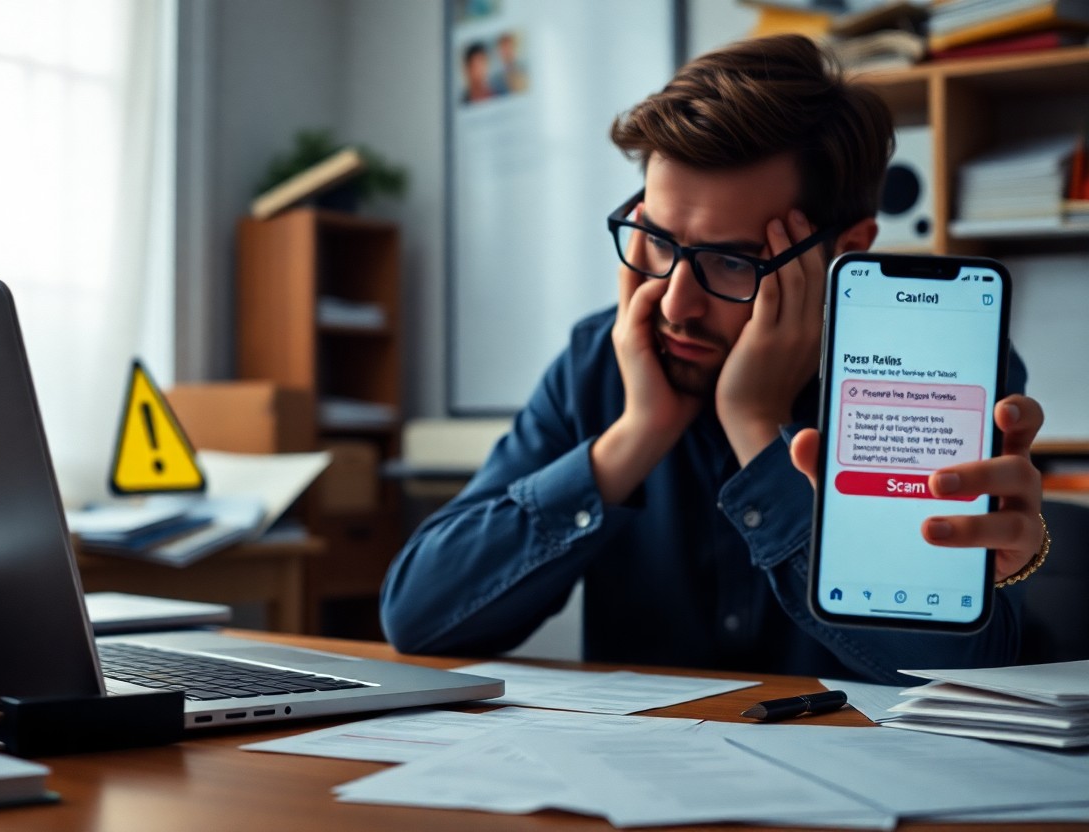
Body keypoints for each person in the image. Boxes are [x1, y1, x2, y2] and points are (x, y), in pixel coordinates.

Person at [381, 35, 1046, 684]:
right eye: (659, 243)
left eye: (731, 261)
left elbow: (962, 670)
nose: (676, 304)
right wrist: (635, 435)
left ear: (848, 250)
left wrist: (753, 424)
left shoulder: (935, 376)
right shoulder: (603, 360)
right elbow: (418, 617)